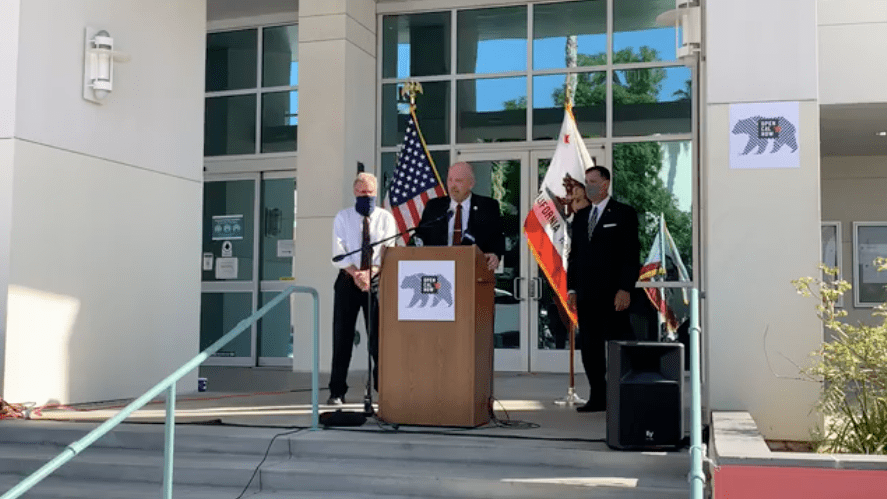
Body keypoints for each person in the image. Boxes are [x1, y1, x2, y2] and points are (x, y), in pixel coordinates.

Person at [566, 166, 640, 413]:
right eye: (586, 182)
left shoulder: (623, 214)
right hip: (587, 296)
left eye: (593, 181)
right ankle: (598, 396)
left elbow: (631, 255)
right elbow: (574, 257)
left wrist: (625, 288)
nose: (588, 186)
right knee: (590, 348)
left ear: (606, 184)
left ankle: (628, 393)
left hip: (613, 296)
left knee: (621, 346)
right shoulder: (580, 216)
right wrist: (572, 289)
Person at [329, 172, 397, 405]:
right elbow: (338, 252)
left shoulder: (385, 218)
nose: (364, 197)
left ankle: (382, 390)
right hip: (348, 280)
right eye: (360, 193)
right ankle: (337, 391)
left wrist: (371, 273)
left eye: (369, 193)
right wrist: (356, 273)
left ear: (375, 193)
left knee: (378, 339)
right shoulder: (343, 217)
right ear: (354, 192)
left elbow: (388, 250)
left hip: (376, 280)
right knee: (342, 338)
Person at [414, 161, 505, 271]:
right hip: (439, 271)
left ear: (471, 184)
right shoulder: (434, 207)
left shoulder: (488, 206)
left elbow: (497, 239)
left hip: (474, 271)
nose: (453, 185)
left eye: (458, 181)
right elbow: (421, 236)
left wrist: (495, 255)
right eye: (450, 180)